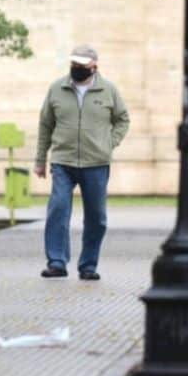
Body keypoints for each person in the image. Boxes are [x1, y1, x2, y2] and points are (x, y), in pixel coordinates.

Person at [34, 45, 130, 281]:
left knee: (96, 217)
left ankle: (88, 265)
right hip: (62, 161)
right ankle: (56, 262)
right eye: (74, 64)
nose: (77, 68)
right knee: (57, 210)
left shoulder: (108, 90)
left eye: (82, 65)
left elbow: (123, 120)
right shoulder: (57, 89)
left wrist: (109, 143)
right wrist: (40, 160)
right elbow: (45, 125)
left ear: (94, 66)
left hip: (96, 162)